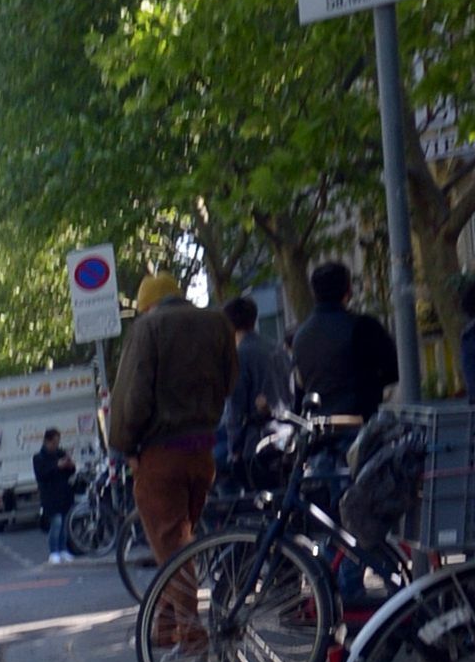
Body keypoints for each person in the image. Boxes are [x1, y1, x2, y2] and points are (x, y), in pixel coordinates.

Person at [107, 271, 238, 639]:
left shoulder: (148, 329)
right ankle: (164, 628)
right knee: (180, 538)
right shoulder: (217, 323)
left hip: (160, 453)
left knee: (172, 545)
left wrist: (125, 447)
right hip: (203, 451)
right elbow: (230, 383)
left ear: (148, 305)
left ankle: (189, 629)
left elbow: (133, 398)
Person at [289, 259, 398, 418]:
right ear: (348, 290)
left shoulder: (299, 336)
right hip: (360, 427)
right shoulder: (365, 326)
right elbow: (393, 371)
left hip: (318, 430)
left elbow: (300, 387)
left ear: (314, 293)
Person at [217, 296, 295, 473]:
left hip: (256, 443)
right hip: (286, 437)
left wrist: (234, 449)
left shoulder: (239, 356)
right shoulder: (278, 350)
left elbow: (235, 409)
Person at [31, 427, 78, 562]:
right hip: (50, 496)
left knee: (64, 523)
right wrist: (57, 466)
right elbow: (42, 474)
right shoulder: (38, 458)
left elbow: (70, 471)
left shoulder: (60, 453)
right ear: (47, 441)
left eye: (58, 442)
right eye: (54, 442)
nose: (56, 445)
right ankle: (54, 551)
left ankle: (63, 549)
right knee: (56, 523)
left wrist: (70, 465)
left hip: (64, 494)